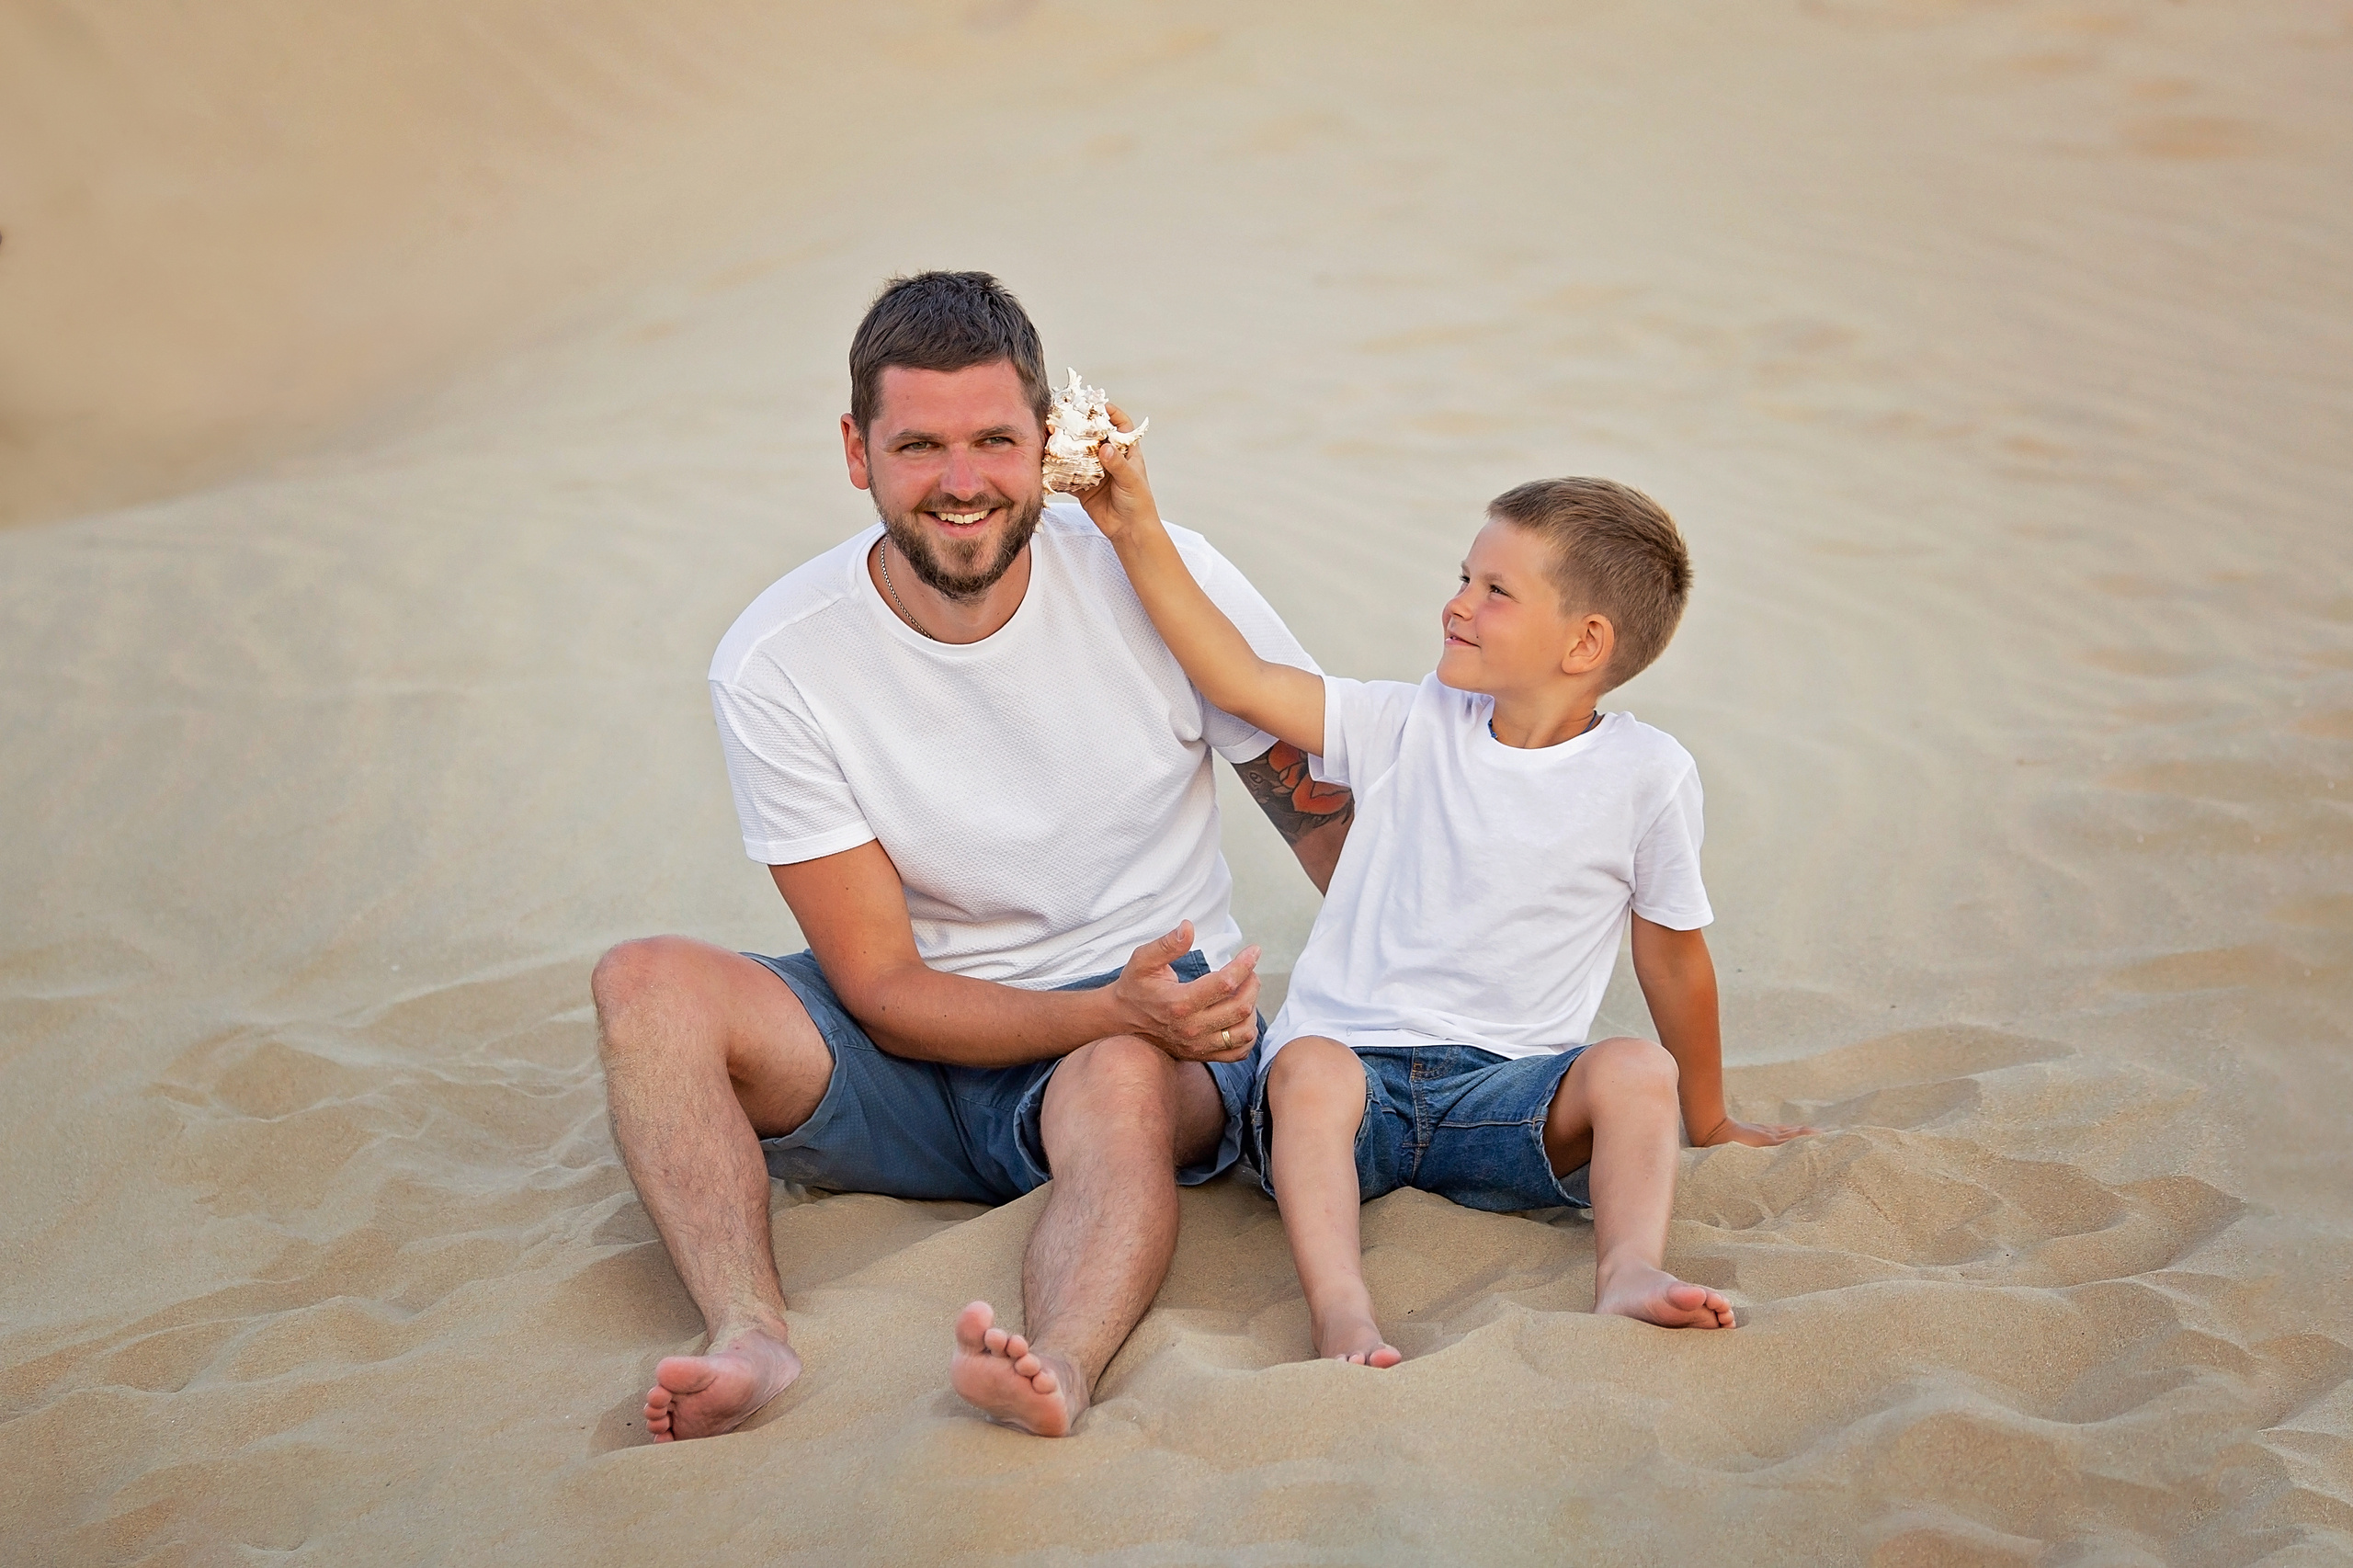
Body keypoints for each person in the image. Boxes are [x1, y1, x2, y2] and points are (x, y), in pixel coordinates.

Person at [590, 272, 1352, 1439]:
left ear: (1045, 441)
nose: (961, 482)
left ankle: (1056, 1364)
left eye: (995, 439)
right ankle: (749, 1332)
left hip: (1150, 1041)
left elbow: (1329, 834)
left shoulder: (1161, 578)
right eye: (919, 445)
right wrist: (1115, 1010)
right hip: (918, 1052)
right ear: (858, 451)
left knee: (1112, 1078)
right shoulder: (779, 660)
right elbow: (883, 990)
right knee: (644, 982)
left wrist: (1473, 1033)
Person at [1078, 428, 1816, 1366]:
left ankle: (1628, 1268)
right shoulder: (1410, 721)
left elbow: (1673, 957)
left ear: (1586, 641)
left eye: (1494, 591)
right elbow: (1244, 680)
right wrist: (1134, 525)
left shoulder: (1649, 775)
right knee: (1306, 1066)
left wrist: (1706, 1119)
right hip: (1354, 1092)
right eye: (1462, 576)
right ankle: (1342, 1308)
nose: (1456, 605)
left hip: (1505, 1098)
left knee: (1635, 1068)